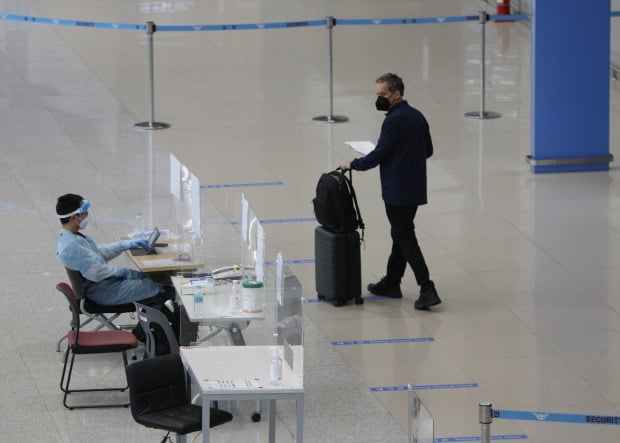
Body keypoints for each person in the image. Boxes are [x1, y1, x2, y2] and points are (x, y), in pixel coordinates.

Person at [340, 73, 441, 310]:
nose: (379, 99)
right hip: (415, 188)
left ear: (396, 93)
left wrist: (352, 164)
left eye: (383, 95)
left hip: (397, 189)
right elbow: (427, 150)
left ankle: (427, 288)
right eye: (377, 95)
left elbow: (379, 154)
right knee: (400, 233)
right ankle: (392, 281)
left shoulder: (394, 120)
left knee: (405, 236)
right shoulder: (417, 116)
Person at [55, 193, 197, 346]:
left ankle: (159, 330)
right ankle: (151, 334)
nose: (87, 215)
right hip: (103, 291)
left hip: (104, 285)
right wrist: (126, 273)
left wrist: (124, 245)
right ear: (74, 217)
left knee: (151, 279)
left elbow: (98, 254)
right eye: (84, 212)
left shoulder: (72, 238)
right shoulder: (71, 246)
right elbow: (98, 272)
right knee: (161, 287)